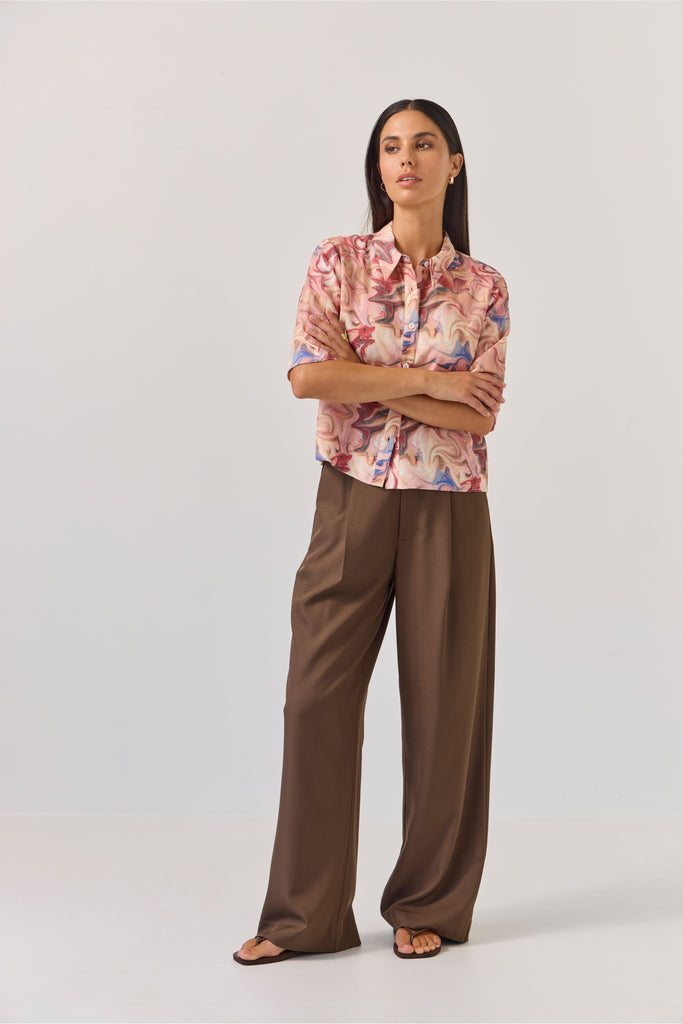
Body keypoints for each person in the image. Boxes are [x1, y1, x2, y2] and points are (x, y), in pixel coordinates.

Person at [234, 97, 510, 965]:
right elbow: (307, 378)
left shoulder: (485, 288)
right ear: (377, 165)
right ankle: (301, 919)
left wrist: (368, 379)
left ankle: (425, 903)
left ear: (453, 164)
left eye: (424, 144)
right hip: (348, 497)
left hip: (449, 505)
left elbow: (479, 419)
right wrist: (421, 382)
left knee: (444, 710)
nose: (406, 159)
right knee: (314, 699)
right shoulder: (337, 262)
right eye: (391, 146)